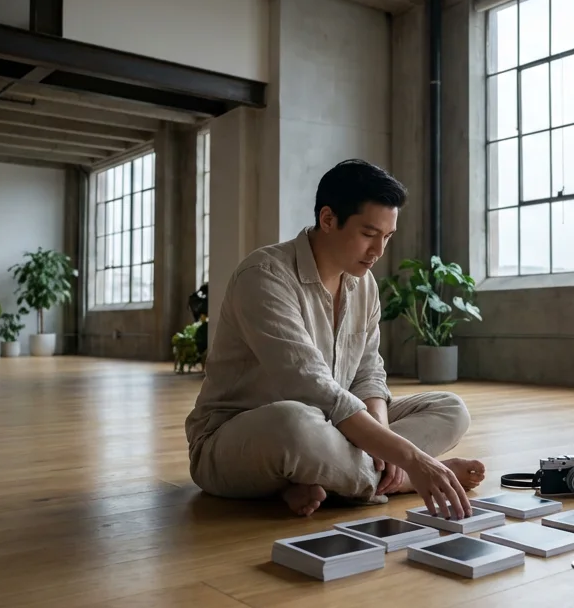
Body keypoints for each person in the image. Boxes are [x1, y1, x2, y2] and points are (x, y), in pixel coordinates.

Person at [185, 159, 485, 518]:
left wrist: (384, 444)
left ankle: (331, 478)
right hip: (240, 438)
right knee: (293, 424)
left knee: (450, 408)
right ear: (328, 220)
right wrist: (411, 459)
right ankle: (401, 480)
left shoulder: (365, 283)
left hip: (330, 427)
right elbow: (311, 387)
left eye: (387, 237)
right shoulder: (263, 276)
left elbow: (368, 375)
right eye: (368, 234)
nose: (379, 251)